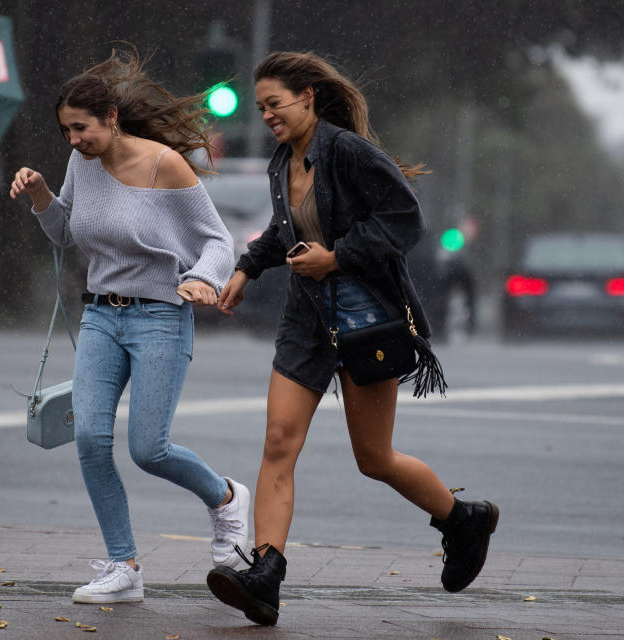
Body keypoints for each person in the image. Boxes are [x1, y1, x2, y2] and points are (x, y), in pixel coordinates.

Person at [206, 51, 499, 626]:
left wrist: (337, 256)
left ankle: (463, 520)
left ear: (309, 97)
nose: (267, 114)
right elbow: (285, 228)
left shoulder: (346, 150)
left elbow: (403, 219)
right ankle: (265, 574)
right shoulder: (280, 163)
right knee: (278, 442)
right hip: (306, 320)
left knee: (374, 457)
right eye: (261, 106)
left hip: (366, 317)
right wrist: (246, 268)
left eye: (276, 103)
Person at [9, 48, 250, 605]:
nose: (74, 139)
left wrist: (202, 279)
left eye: (82, 128)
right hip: (100, 314)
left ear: (111, 118)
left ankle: (225, 498)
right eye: (66, 130)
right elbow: (68, 233)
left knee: (149, 448)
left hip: (161, 316)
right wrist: (44, 196)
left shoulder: (165, 164)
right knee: (91, 439)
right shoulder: (79, 165)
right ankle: (124, 566)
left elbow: (217, 240)